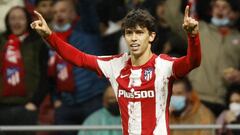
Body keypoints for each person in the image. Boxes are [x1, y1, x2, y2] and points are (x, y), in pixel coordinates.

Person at [31, 5, 201, 135]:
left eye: (139, 33)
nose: (133, 38)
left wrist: (193, 37)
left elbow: (192, 62)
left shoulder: (163, 65)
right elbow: (79, 58)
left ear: (151, 36)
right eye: (129, 33)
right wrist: (49, 35)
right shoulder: (115, 64)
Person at [0, 6, 48, 135]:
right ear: (7, 21)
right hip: (2, 107)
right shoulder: (1, 41)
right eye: (13, 18)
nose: (17, 22)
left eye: (21, 18)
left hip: (28, 106)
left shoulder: (38, 43)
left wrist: (35, 102)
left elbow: (46, 76)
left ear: (27, 20)